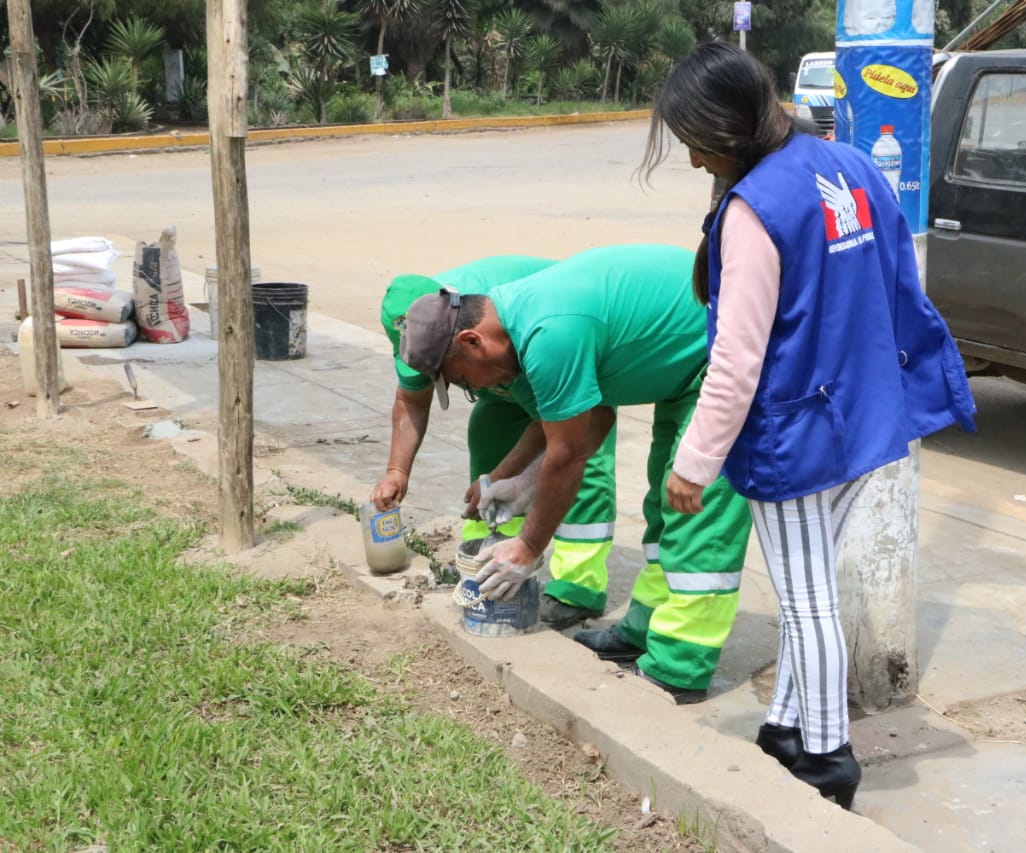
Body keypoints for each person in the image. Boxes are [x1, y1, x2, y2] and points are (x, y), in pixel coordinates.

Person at [639, 42, 977, 809]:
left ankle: (827, 758)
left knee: (807, 603)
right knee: (811, 585)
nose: (692, 161)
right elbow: (897, 289)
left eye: (693, 142)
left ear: (727, 132)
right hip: (865, 421)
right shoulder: (851, 166)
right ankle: (788, 725)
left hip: (797, 435)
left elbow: (734, 361)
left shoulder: (758, 208)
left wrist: (693, 462)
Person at [396, 243, 753, 704]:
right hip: (678, 373)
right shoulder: (511, 330)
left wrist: (529, 546)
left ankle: (680, 666)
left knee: (696, 514)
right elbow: (592, 417)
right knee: (663, 507)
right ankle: (645, 629)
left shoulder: (548, 334)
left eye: (461, 378)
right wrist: (514, 479)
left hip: (721, 362)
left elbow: (569, 455)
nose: (471, 389)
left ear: (471, 341)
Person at [372, 255, 618, 629]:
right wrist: (396, 471)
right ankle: (485, 561)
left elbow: (567, 440)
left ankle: (577, 585)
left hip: (554, 357)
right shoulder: (421, 327)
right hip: (499, 376)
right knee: (489, 439)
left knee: (571, 459)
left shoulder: (487, 313)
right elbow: (411, 400)